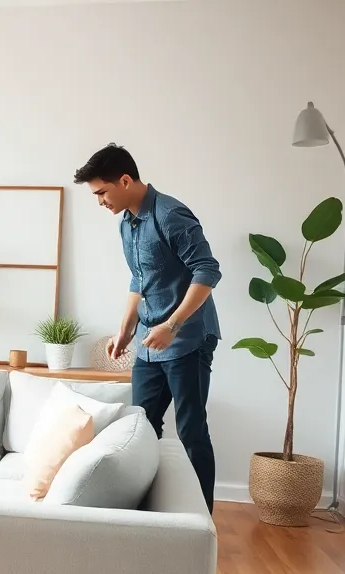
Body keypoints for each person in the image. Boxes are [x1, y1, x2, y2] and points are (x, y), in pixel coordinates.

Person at [73, 143, 221, 511]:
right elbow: (140, 278)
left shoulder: (170, 214)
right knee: (140, 428)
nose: (100, 202)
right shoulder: (127, 223)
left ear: (125, 180)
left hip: (186, 338)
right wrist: (125, 329)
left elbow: (207, 270)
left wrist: (173, 323)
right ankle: (148, 518)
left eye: (102, 192)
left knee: (191, 431)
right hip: (148, 341)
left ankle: (200, 522)